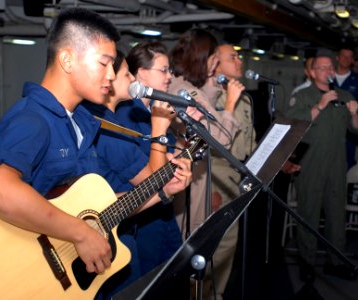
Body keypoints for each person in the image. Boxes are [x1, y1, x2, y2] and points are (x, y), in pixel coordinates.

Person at [0, 7, 191, 297]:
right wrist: (80, 232)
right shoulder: (32, 120)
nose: (111, 74)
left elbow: (100, 210)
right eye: (104, 63)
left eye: (113, 66)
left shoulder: (81, 122)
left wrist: (161, 191)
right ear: (67, 59)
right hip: (28, 272)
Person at [82, 49, 190, 298]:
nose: (132, 79)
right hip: (120, 228)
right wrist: (159, 129)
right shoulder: (108, 127)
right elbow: (153, 179)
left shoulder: (114, 121)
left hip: (130, 219)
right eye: (127, 73)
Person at [285, 54, 358, 283]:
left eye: (330, 67)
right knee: (308, 214)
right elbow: (293, 124)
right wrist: (320, 105)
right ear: (311, 72)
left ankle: (336, 262)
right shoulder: (302, 96)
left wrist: (353, 113)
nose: (327, 70)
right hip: (311, 164)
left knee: (336, 216)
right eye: (321, 67)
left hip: (337, 165)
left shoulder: (344, 96)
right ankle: (307, 263)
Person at [115, 42, 184, 277]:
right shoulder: (124, 114)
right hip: (139, 213)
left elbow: (168, 157)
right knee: (148, 277)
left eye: (170, 70)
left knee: (172, 271)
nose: (169, 76)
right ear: (142, 74)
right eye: (163, 70)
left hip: (162, 207)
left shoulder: (156, 110)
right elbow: (146, 177)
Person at [168, 29, 244, 238]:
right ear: (202, 59)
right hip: (191, 178)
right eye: (213, 59)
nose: (214, 65)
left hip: (189, 172)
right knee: (190, 235)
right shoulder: (187, 92)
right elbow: (223, 138)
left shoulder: (179, 85)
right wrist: (230, 103)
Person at [334, 47, 358, 169]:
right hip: (329, 128)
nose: (346, 59)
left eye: (350, 57)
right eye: (344, 56)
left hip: (349, 131)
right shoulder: (327, 78)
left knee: (346, 165)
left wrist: (351, 108)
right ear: (337, 57)